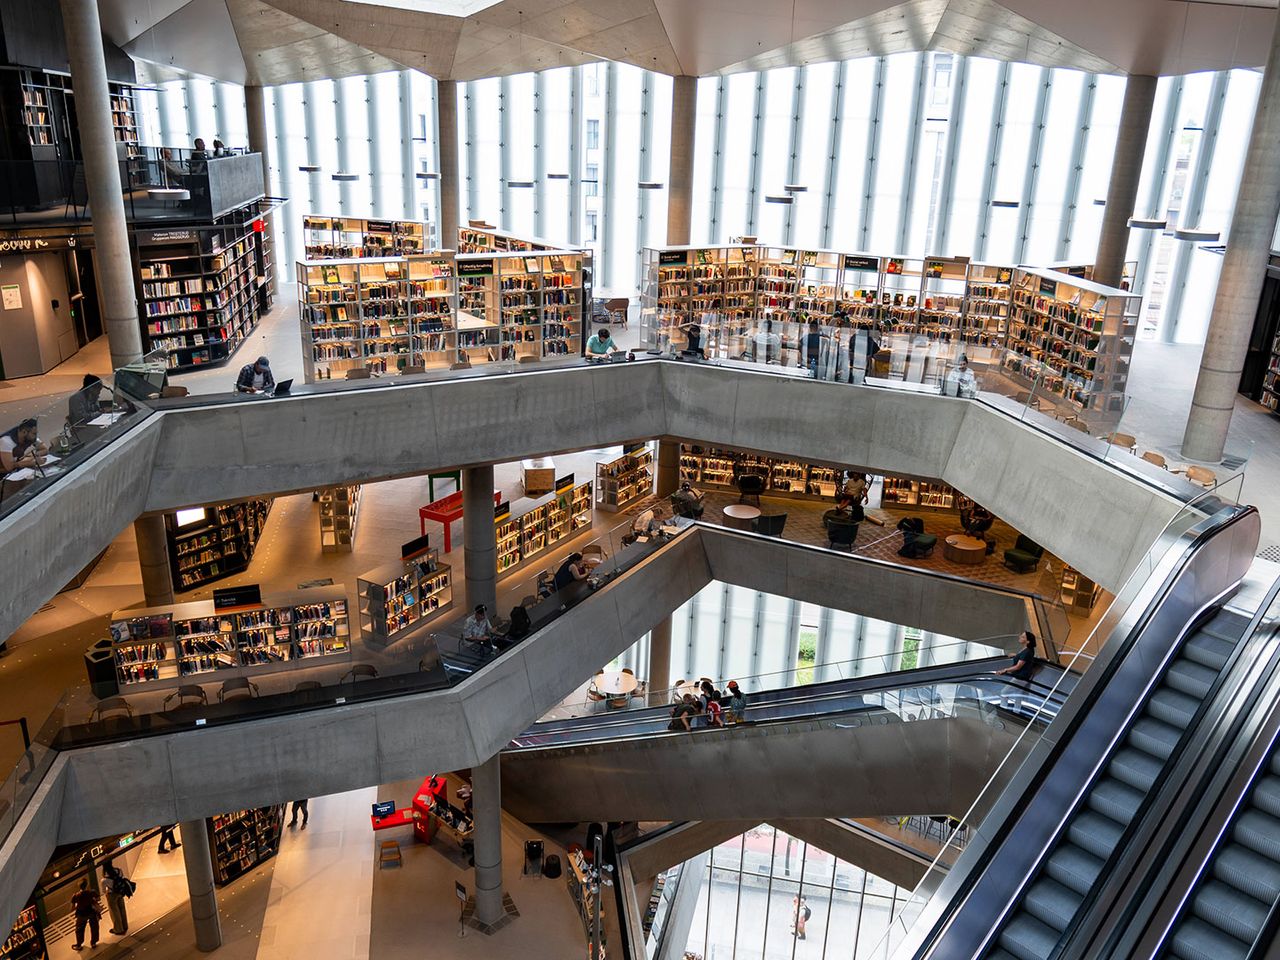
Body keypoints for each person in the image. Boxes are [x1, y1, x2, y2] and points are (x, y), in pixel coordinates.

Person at [102, 861, 134, 935]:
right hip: (120, 892)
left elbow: (104, 891)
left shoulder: (104, 880)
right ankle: (125, 925)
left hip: (111, 895)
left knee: (115, 912)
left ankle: (118, 929)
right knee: (122, 908)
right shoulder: (119, 871)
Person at [70, 879, 101, 950]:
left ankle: (79, 945)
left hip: (81, 914)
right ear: (87, 884)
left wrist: (79, 905)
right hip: (91, 912)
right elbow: (98, 898)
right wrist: (92, 901)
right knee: (94, 927)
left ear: (79, 886)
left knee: (79, 929)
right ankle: (93, 943)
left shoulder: (75, 896)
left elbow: (72, 909)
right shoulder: (92, 892)